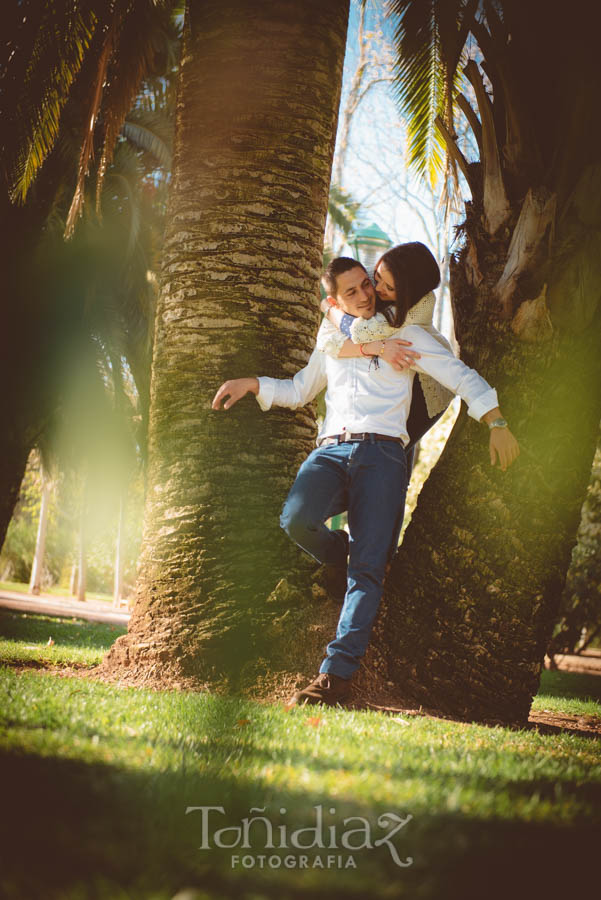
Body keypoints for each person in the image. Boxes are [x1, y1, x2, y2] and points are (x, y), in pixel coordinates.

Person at [212, 247, 519, 707]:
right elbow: (299, 390)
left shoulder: (409, 335)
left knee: (369, 572)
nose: (366, 294)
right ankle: (343, 557)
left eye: (370, 284)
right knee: (295, 519)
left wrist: (497, 422)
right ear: (335, 299)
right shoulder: (332, 337)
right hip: (331, 452)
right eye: (353, 290)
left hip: (383, 457)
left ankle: (335, 676)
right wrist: (252, 383)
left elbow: (461, 376)